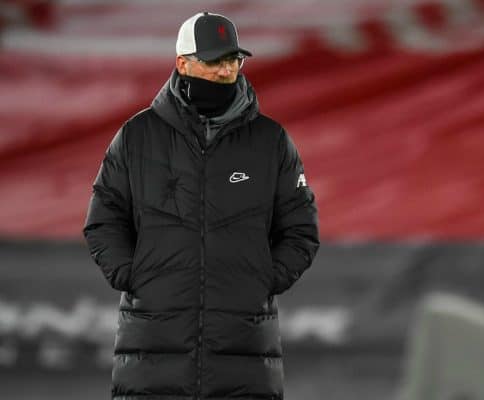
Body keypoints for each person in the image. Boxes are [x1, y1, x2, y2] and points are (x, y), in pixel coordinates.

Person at [83, 11, 319, 400]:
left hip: (245, 353)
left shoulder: (271, 141)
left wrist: (260, 280)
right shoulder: (137, 137)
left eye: (233, 60)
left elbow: (301, 229)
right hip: (152, 348)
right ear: (182, 64)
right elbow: (103, 220)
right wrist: (134, 276)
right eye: (214, 61)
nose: (226, 70)